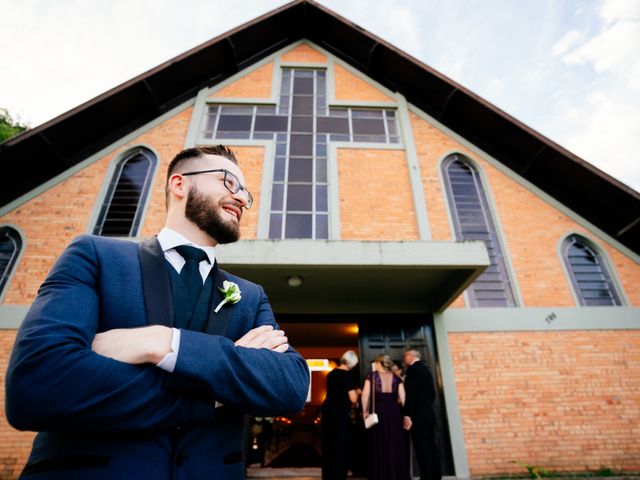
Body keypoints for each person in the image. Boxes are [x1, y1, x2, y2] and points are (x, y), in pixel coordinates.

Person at [5, 145, 310, 480]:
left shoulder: (250, 297)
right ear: (179, 184)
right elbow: (38, 386)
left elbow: (290, 385)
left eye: (246, 193)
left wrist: (161, 342)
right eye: (229, 182)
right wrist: (212, 395)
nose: (241, 198)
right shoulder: (96, 257)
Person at [361, 354, 409, 480]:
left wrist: (364, 411)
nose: (374, 365)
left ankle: (380, 475)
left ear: (380, 363)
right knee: (394, 442)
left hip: (378, 412)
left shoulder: (372, 376)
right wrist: (406, 415)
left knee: (378, 442)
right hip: (394, 413)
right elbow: (403, 399)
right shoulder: (396, 378)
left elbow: (365, 395)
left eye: (376, 363)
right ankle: (395, 474)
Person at [403, 348, 441, 480]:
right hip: (429, 414)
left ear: (410, 356)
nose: (404, 359)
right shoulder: (426, 370)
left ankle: (427, 477)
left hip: (418, 416)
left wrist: (407, 414)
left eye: (405, 356)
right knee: (431, 446)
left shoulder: (412, 371)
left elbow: (411, 395)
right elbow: (432, 393)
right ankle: (436, 475)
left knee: (422, 449)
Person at [321, 350, 359, 480]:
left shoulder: (331, 374)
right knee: (340, 445)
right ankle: (339, 475)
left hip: (327, 412)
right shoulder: (347, 375)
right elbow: (353, 398)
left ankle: (328, 475)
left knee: (328, 445)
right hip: (340, 413)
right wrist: (358, 392)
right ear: (353, 363)